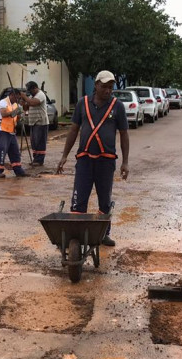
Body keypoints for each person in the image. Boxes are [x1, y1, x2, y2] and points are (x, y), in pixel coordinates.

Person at [56, 70, 129, 247]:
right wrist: (64, 156)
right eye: (104, 87)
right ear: (96, 85)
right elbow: (73, 130)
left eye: (110, 87)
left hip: (106, 161)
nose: (107, 90)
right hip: (85, 160)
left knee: (104, 199)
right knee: (79, 199)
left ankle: (104, 234)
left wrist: (125, 162)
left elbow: (124, 134)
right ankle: (76, 235)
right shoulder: (82, 104)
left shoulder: (117, 106)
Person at [0, 88, 27, 179]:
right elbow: (4, 114)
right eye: (17, 98)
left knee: (15, 151)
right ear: (11, 95)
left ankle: (18, 170)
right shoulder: (3, 103)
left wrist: (21, 116)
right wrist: (17, 111)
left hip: (11, 131)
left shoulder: (15, 104)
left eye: (19, 98)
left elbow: (17, 116)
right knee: (2, 150)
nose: (17, 100)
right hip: (2, 130)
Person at [21, 81, 49, 166]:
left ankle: (39, 160)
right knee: (34, 142)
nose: (30, 93)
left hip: (41, 122)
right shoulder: (31, 96)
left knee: (40, 141)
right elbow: (26, 108)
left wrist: (24, 97)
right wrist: (23, 102)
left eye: (31, 90)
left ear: (35, 88)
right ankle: (35, 158)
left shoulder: (40, 94)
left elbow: (33, 103)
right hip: (33, 122)